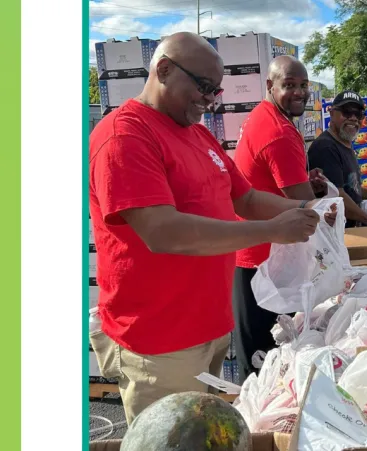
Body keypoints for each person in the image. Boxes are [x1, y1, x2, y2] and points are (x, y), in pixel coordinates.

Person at [88, 32, 335, 424]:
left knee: (203, 432)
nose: (210, 99)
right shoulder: (126, 135)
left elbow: (246, 199)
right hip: (159, 341)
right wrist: (272, 230)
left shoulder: (198, 133)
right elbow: (162, 231)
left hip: (207, 328)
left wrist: (311, 209)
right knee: (170, 438)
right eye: (203, 86)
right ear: (164, 69)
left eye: (216, 91)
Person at [231, 55, 328, 381]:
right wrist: (327, 205)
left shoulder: (262, 116)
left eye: (303, 86)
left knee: (260, 358)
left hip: (255, 252)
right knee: (271, 362)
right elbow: (302, 203)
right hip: (267, 261)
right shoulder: (279, 133)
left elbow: (278, 183)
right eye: (289, 85)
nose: (299, 92)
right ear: (270, 86)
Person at [308, 90, 367, 227]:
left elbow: (350, 186)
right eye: (347, 112)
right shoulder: (326, 148)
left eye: (358, 114)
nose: (354, 118)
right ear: (331, 113)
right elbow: (336, 197)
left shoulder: (345, 144)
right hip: (337, 234)